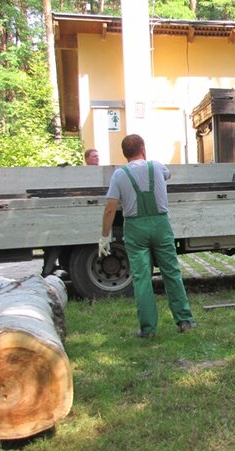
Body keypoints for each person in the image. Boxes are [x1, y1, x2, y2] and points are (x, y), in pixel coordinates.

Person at [99, 134, 196, 337]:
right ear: (143, 149)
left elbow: (110, 209)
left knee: (142, 278)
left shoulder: (119, 175)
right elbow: (168, 175)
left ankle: (148, 329)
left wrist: (104, 236)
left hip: (135, 227)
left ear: (124, 154)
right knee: (171, 273)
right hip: (160, 225)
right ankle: (185, 321)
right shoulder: (157, 167)